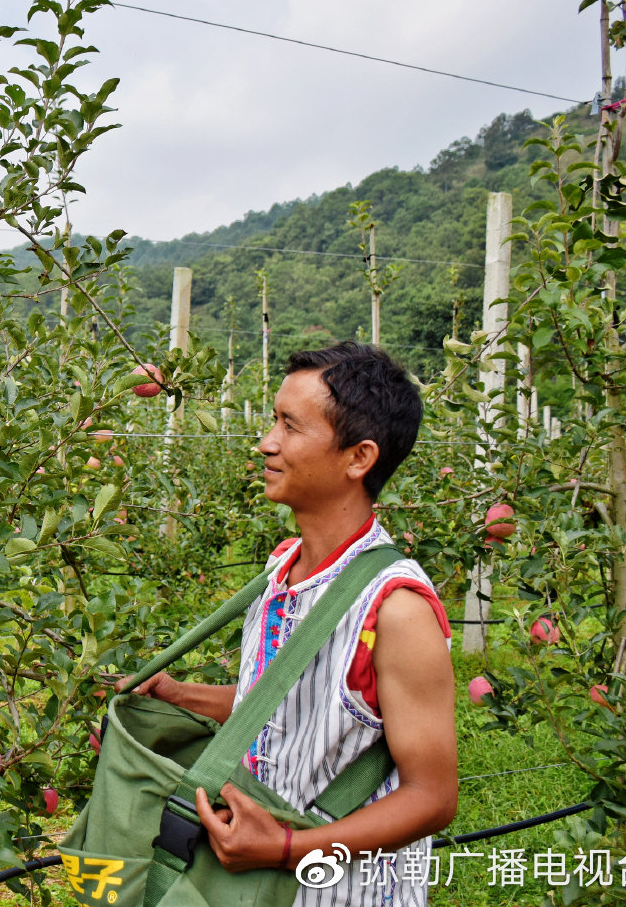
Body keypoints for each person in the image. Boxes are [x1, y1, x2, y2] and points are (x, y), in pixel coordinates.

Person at [121, 342, 457, 905]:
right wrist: (180, 697)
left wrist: (286, 848)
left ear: (358, 457)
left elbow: (432, 797)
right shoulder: (284, 566)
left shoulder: (396, 610)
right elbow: (294, 709)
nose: (266, 443)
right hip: (253, 889)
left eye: (290, 426)